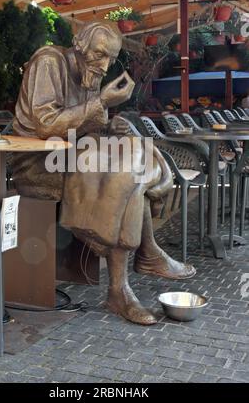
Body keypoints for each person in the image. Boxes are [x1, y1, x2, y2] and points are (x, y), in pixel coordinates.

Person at [13, 22, 195, 325]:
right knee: (123, 176)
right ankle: (128, 278)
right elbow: (46, 124)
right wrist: (100, 102)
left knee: (132, 157)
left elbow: (86, 125)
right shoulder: (48, 62)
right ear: (79, 45)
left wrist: (110, 124)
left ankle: (128, 278)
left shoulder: (90, 73)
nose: (105, 64)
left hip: (71, 155)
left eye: (111, 58)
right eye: (100, 54)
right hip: (37, 162)